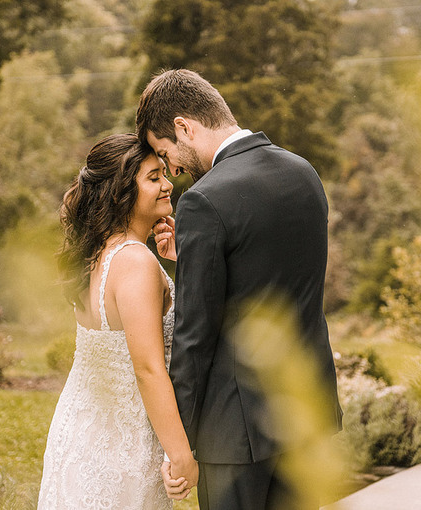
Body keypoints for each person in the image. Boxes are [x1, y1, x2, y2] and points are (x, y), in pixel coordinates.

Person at [136, 69, 343, 510]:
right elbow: (271, 274)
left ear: (184, 127)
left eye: (165, 153)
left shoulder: (205, 199)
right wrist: (191, 259)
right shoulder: (304, 173)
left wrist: (178, 442)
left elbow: (195, 336)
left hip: (236, 435)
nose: (173, 169)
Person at [37, 133, 198, 509]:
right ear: (120, 193)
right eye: (154, 177)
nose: (167, 185)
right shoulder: (135, 262)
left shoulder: (97, 254)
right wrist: (180, 455)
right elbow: (148, 369)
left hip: (80, 432)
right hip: (122, 445)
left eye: (164, 174)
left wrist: (181, 260)